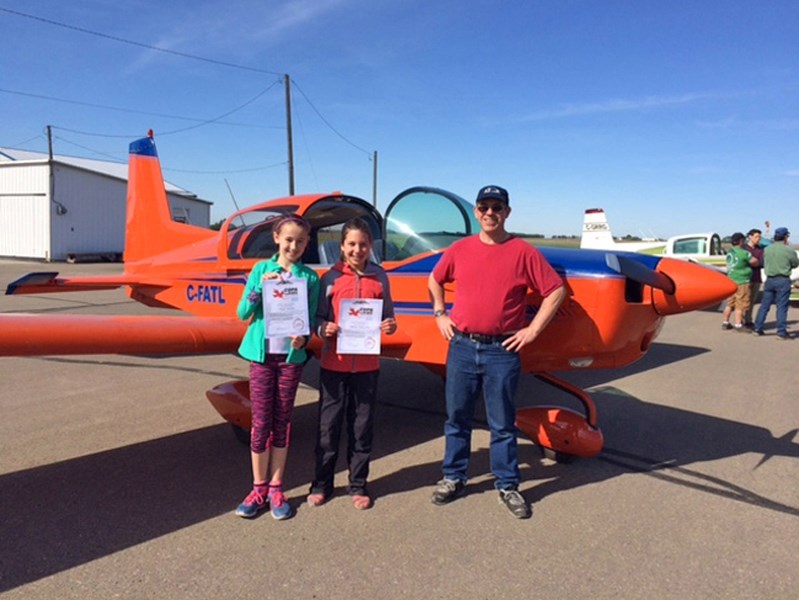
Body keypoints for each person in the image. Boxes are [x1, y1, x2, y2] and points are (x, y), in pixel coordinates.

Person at [427, 185, 566, 519]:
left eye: (497, 207)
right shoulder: (460, 249)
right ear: (476, 212)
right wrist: (440, 313)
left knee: (502, 423)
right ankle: (454, 477)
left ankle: (507, 484)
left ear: (507, 212)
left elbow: (556, 290)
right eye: (484, 207)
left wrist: (533, 330)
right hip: (461, 345)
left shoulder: (523, 251)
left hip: (501, 350)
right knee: (456, 418)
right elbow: (434, 279)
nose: (490, 213)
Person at [307, 217, 397, 510]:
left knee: (362, 427)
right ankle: (321, 484)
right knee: (327, 427)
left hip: (367, 367)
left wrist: (389, 326)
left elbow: (389, 316)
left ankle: (358, 484)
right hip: (334, 364)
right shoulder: (329, 279)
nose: (357, 250)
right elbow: (318, 319)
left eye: (363, 244)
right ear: (342, 247)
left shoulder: (380, 277)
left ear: (371, 246)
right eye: (351, 244)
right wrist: (324, 330)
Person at [234, 214, 320, 519]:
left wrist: (303, 339)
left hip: (289, 360)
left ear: (307, 243)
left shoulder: (310, 279)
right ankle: (257, 488)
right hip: (262, 357)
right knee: (260, 424)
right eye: (288, 240)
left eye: (300, 241)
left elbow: (308, 321)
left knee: (283, 421)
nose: (293, 246)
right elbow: (243, 312)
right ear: (276, 239)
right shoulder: (260, 270)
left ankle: (276, 487)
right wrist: (259, 288)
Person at [753, 227, 799, 340]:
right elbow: (795, 264)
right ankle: (781, 331)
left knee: (765, 305)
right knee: (782, 307)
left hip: (770, 280)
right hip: (783, 279)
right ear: (785, 237)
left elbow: (763, 262)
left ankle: (757, 328)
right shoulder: (789, 250)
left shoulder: (767, 249)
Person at [721, 232, 757, 332]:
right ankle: (738, 324)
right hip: (742, 281)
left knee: (729, 303)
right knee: (740, 304)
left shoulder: (730, 252)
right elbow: (754, 261)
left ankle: (725, 322)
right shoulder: (744, 253)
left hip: (731, 279)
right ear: (741, 241)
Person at [742, 228, 764, 328]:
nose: (758, 239)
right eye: (756, 236)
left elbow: (761, 263)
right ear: (750, 237)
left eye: (759, 237)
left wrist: (753, 263)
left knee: (752, 301)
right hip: (745, 278)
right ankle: (741, 320)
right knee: (744, 300)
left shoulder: (760, 249)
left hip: (756, 278)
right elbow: (742, 263)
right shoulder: (743, 248)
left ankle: (748, 320)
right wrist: (753, 262)